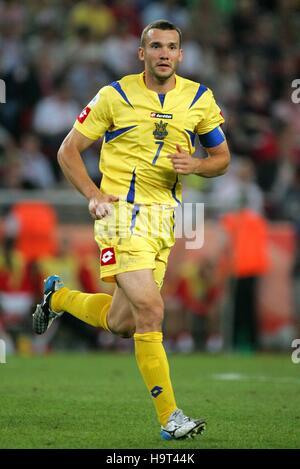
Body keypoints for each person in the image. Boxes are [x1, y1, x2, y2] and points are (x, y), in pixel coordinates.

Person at [32, 20, 230, 440]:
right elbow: (68, 150)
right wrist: (92, 193)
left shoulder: (198, 98)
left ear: (180, 54)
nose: (163, 53)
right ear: (142, 53)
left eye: (171, 47)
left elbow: (222, 157)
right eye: (155, 46)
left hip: (165, 221)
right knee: (152, 311)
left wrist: (196, 165)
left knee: (124, 323)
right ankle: (170, 418)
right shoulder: (114, 96)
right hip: (120, 216)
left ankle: (58, 297)